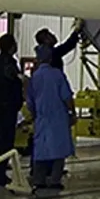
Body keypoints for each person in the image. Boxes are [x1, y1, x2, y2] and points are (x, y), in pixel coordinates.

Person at [27, 47, 76, 191]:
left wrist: (35, 114)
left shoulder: (34, 77)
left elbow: (30, 101)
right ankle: (55, 180)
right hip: (58, 117)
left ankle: (39, 179)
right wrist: (72, 113)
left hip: (42, 117)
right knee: (59, 150)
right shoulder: (57, 75)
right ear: (50, 58)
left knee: (41, 149)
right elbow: (67, 96)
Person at [0, 33, 23, 186]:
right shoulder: (8, 64)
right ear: (11, 47)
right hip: (7, 108)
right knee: (5, 142)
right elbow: (14, 80)